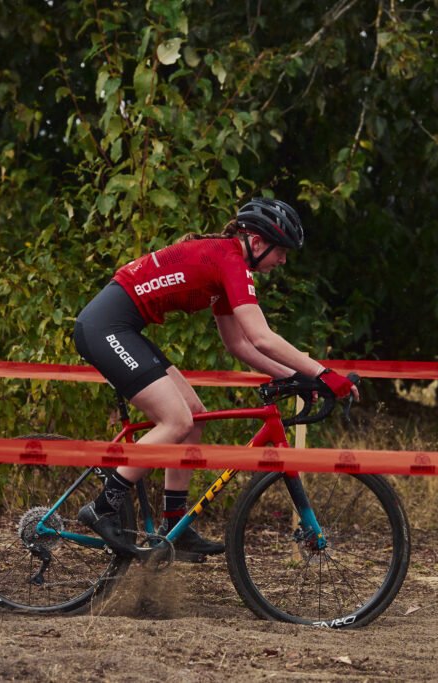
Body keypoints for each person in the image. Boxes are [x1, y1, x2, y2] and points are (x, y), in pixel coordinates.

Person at [73, 197, 358, 559]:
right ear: (257, 242)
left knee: (194, 416)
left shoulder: (228, 261)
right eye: (281, 251)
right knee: (176, 420)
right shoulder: (230, 260)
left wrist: (296, 377)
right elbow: (261, 337)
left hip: (121, 328)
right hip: (105, 328)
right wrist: (322, 373)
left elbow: (239, 344)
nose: (283, 260)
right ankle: (103, 507)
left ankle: (174, 527)